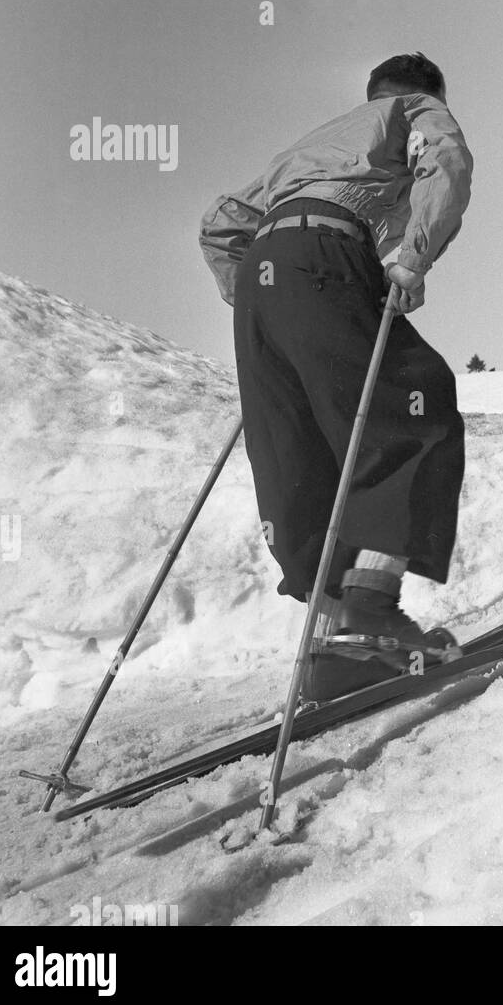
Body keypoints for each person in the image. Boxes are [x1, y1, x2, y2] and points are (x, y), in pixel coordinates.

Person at [199, 52, 473, 699]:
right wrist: (412, 258)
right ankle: (370, 619)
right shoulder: (415, 110)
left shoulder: (315, 146)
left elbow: (219, 224)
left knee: (303, 445)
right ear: (425, 92)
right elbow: (446, 166)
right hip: (326, 253)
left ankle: (334, 627)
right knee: (414, 404)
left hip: (266, 272)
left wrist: (268, 293)